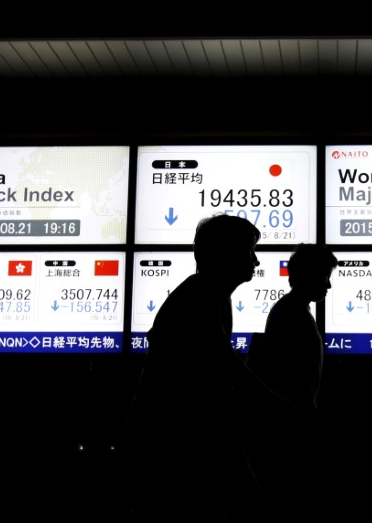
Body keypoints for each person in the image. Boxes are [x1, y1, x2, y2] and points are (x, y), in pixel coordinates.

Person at [123, 213, 287, 522]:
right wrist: (275, 403)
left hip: (175, 438)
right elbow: (220, 360)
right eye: (249, 250)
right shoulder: (205, 295)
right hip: (182, 441)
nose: (255, 261)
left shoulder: (202, 292)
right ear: (227, 252)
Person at [244, 243, 338, 521]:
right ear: (308, 276)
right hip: (291, 423)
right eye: (324, 277)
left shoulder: (288, 310)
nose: (328, 286)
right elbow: (296, 377)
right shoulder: (294, 315)